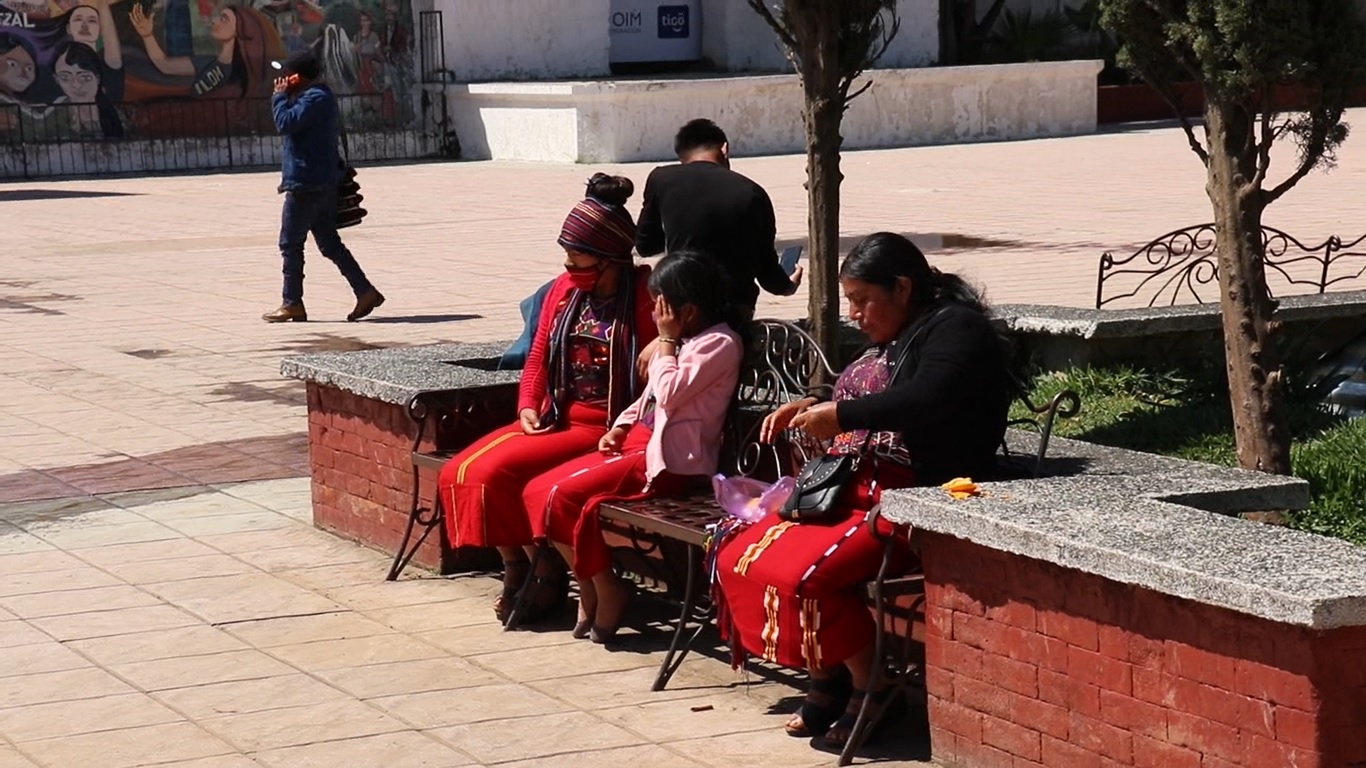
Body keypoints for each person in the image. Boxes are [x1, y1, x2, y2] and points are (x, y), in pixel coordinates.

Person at [713, 232, 1011, 749]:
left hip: (918, 499)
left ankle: (875, 685)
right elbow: (863, 384)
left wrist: (841, 415)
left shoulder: (956, 330)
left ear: (901, 287)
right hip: (851, 487)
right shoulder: (901, 328)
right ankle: (827, 673)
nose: (854, 313)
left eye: (862, 300)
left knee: (803, 576)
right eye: (849, 301)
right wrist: (811, 402)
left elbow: (924, 397)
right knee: (738, 554)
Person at [437, 174, 657, 625]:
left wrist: (666, 343)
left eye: (578, 255)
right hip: (557, 418)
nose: (570, 264)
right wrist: (527, 404)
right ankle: (521, 566)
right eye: (567, 254)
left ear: (611, 255)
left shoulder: (644, 294)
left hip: (608, 428)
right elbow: (538, 354)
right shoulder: (563, 291)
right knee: (466, 471)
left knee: (497, 472)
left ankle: (542, 573)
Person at [522, 250, 743, 642]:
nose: (657, 316)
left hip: (669, 460)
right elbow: (648, 401)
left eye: (662, 307)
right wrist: (621, 427)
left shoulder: (719, 343)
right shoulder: (683, 343)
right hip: (639, 443)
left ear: (687, 310)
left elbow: (670, 393)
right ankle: (591, 585)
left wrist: (666, 342)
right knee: (537, 490)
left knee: (559, 496)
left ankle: (606, 589)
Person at [260, 49, 384, 323]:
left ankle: (292, 303)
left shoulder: (315, 98)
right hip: (320, 181)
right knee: (329, 244)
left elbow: (285, 123)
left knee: (290, 244)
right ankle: (365, 291)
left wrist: (279, 97)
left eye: (285, 75)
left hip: (307, 184)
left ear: (297, 76)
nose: (280, 79)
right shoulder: (316, 97)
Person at [636, 118, 802, 321]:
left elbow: (645, 245)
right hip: (733, 312)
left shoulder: (661, 179)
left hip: (680, 309)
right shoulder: (752, 193)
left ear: (681, 154)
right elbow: (766, 271)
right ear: (725, 149)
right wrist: (787, 286)